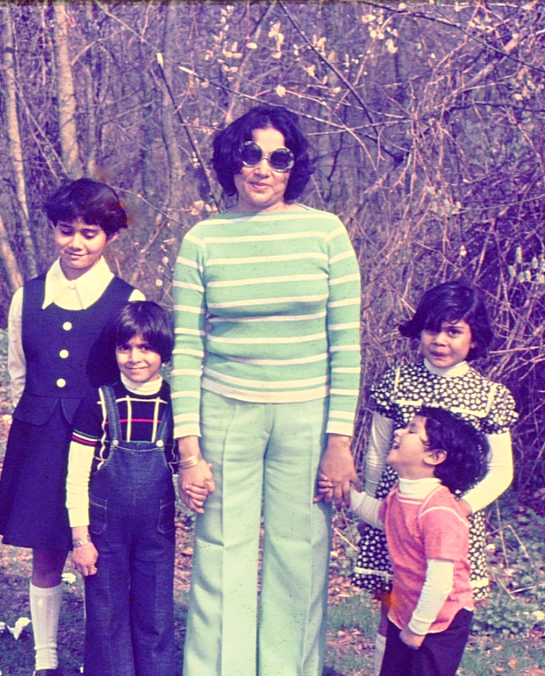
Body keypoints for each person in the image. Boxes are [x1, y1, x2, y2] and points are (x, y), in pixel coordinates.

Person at [171, 104, 362, 676]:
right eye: (251, 154)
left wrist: (339, 441)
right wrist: (189, 451)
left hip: (307, 417)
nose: (263, 168)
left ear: (293, 167)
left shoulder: (326, 234)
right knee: (219, 552)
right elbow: (187, 349)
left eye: (279, 158)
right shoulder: (203, 239)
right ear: (232, 160)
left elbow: (346, 345)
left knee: (299, 556)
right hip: (226, 411)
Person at [0, 178, 143, 676]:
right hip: (40, 439)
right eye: (65, 230)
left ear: (110, 237)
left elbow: (136, 379)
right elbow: (18, 371)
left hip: (101, 447)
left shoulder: (127, 299)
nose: (75, 243)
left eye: (89, 233)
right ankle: (46, 658)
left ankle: (107, 659)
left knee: (103, 553)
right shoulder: (27, 297)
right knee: (46, 550)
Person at [351, 280, 518, 673]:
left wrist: (461, 508)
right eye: (431, 329)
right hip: (395, 516)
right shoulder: (396, 382)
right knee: (393, 607)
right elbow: (376, 452)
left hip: (447, 525)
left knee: (441, 611)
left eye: (453, 331)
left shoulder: (488, 396)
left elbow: (500, 470)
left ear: (474, 338)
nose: (440, 341)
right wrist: (373, 508)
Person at [324, 407, 488, 676]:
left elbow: (440, 582)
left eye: (412, 429)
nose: (399, 431)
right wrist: (344, 492)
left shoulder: (439, 511)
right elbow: (382, 515)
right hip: (407, 609)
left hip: (441, 619)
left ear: (435, 456)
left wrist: (417, 628)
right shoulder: (402, 493)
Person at [65, 301, 177, 676]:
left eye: (145, 347)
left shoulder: (176, 404)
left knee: (155, 615)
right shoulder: (99, 400)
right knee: (106, 615)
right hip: (104, 533)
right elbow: (76, 475)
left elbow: (187, 467)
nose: (134, 358)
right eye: (125, 347)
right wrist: (81, 539)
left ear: (163, 350)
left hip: (157, 532)